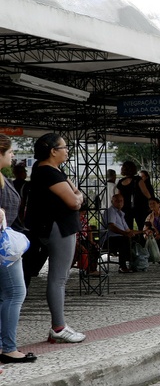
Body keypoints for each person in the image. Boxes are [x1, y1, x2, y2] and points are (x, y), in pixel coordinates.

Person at [25, 133, 86, 343]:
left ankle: (59, 325)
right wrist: (77, 198)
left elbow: (77, 194)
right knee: (58, 278)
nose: (67, 150)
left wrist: (77, 196)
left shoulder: (51, 171)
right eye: (64, 147)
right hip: (58, 228)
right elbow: (74, 200)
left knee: (58, 278)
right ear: (53, 151)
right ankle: (58, 327)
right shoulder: (49, 173)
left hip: (56, 227)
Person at [0, 134, 37, 363]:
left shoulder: (3, 178)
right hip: (4, 247)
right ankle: (9, 348)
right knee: (15, 292)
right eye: (10, 151)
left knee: (7, 294)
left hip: (6, 243)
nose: (13, 155)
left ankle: (5, 345)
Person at [100, 193, 139, 273]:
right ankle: (123, 266)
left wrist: (144, 232)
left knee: (135, 238)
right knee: (124, 239)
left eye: (121, 201)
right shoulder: (111, 211)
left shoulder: (120, 213)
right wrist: (125, 234)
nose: (119, 203)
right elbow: (111, 226)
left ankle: (135, 262)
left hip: (118, 238)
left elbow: (128, 230)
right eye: (117, 201)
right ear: (112, 202)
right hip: (108, 239)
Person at [115, 161, 140, 230]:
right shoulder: (138, 180)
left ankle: (129, 240)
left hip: (125, 207)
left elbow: (118, 196)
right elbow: (146, 193)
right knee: (141, 226)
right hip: (138, 206)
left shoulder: (120, 182)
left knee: (127, 228)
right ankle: (141, 239)